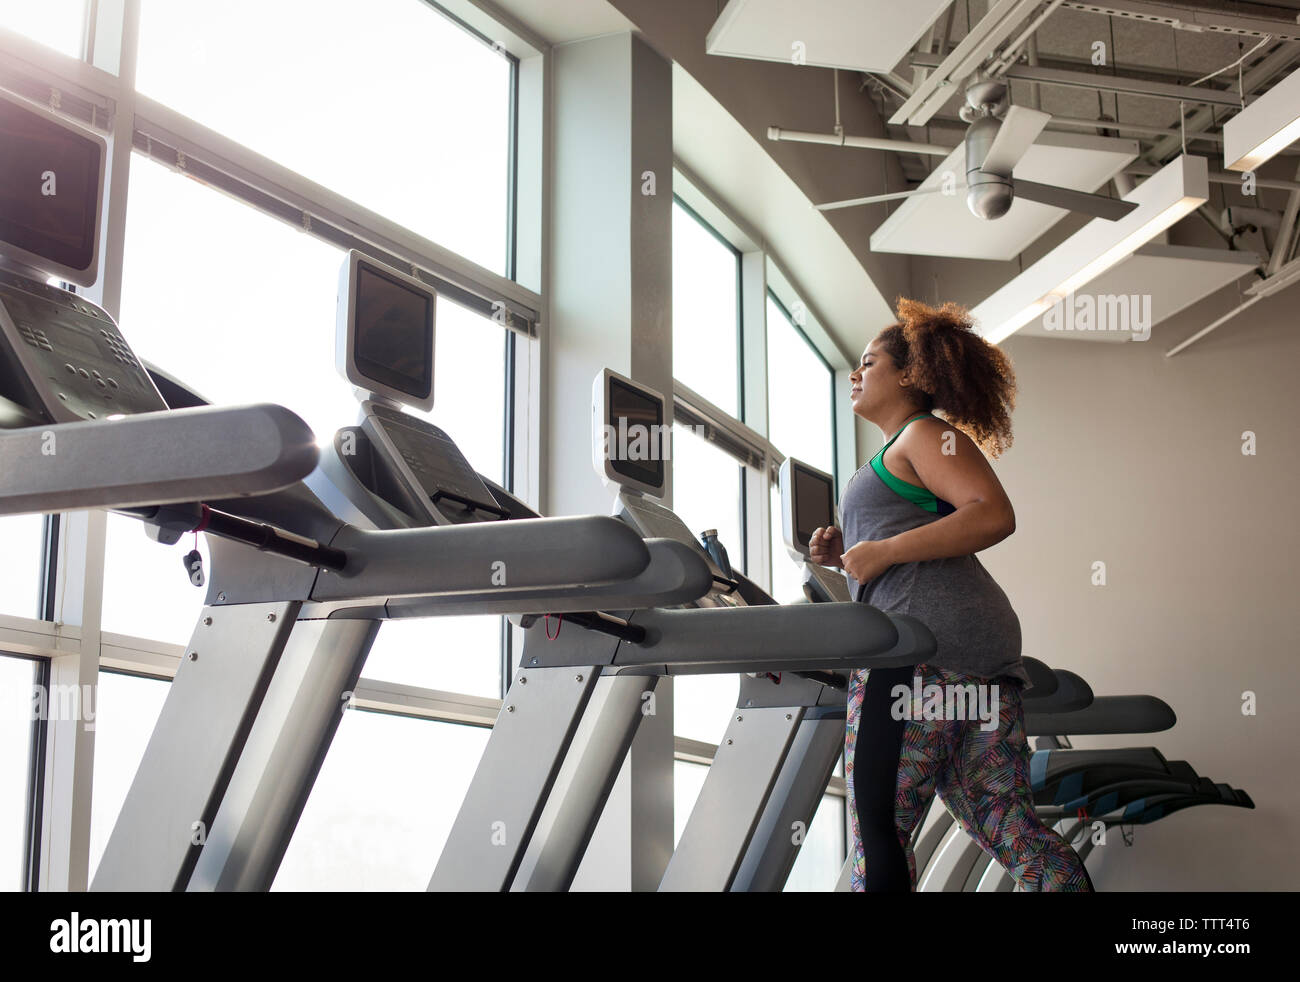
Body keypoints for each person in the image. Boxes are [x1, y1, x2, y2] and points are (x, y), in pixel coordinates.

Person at [809, 297, 1092, 893]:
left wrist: (881, 552)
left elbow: (992, 514)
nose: (856, 374)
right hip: (974, 662)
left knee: (881, 830)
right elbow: (924, 537)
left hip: (919, 660)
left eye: (869, 362)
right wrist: (848, 557)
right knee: (1008, 824)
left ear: (910, 375)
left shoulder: (922, 434)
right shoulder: (905, 449)